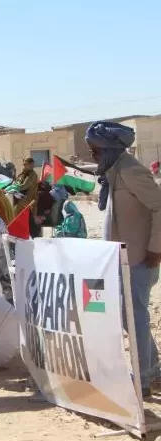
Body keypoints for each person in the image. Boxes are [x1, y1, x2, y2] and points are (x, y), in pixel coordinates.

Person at [88, 121, 161, 397]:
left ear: (108, 148)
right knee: (129, 317)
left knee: (135, 317)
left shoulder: (131, 170)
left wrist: (156, 248)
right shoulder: (114, 171)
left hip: (141, 257)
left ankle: (142, 379)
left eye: (95, 150)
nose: (93, 154)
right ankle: (153, 370)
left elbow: (159, 207)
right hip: (120, 259)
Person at [13, 158, 39, 236]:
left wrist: (15, 187)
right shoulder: (21, 175)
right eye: (25, 164)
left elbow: (25, 185)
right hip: (19, 201)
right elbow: (16, 183)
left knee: (28, 222)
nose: (31, 166)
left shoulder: (33, 174)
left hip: (28, 202)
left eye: (31, 164)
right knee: (17, 220)